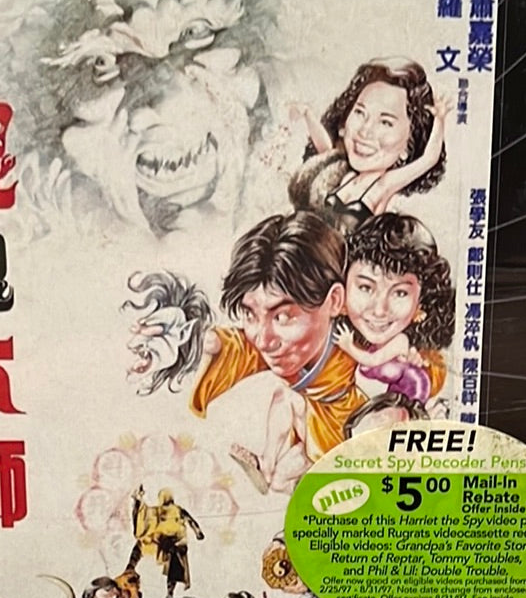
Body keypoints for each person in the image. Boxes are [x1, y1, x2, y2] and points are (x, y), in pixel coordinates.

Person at [190, 212, 367, 495]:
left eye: (283, 317)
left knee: (287, 401)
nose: (263, 339)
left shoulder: (358, 336)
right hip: (308, 430)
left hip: (348, 433)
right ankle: (271, 467)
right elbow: (244, 349)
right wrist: (215, 344)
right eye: (250, 315)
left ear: (334, 301)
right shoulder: (279, 344)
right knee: (282, 478)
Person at [288, 58, 450, 235]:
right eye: (360, 112)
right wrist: (308, 114)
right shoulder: (347, 175)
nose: (365, 131)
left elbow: (429, 159)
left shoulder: (383, 185)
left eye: (385, 122)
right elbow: (326, 150)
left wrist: (439, 119)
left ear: (407, 147)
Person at [335, 213, 454, 406]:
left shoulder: (419, 356)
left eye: (399, 293)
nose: (380, 310)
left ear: (421, 301)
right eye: (365, 287)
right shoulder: (326, 345)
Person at [151, 489, 204, 598]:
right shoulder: (160, 511)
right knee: (172, 567)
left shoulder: (178, 510)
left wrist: (198, 532)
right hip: (168, 544)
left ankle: (170, 591)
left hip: (178, 543)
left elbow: (190, 521)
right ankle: (170, 591)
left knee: (174, 567)